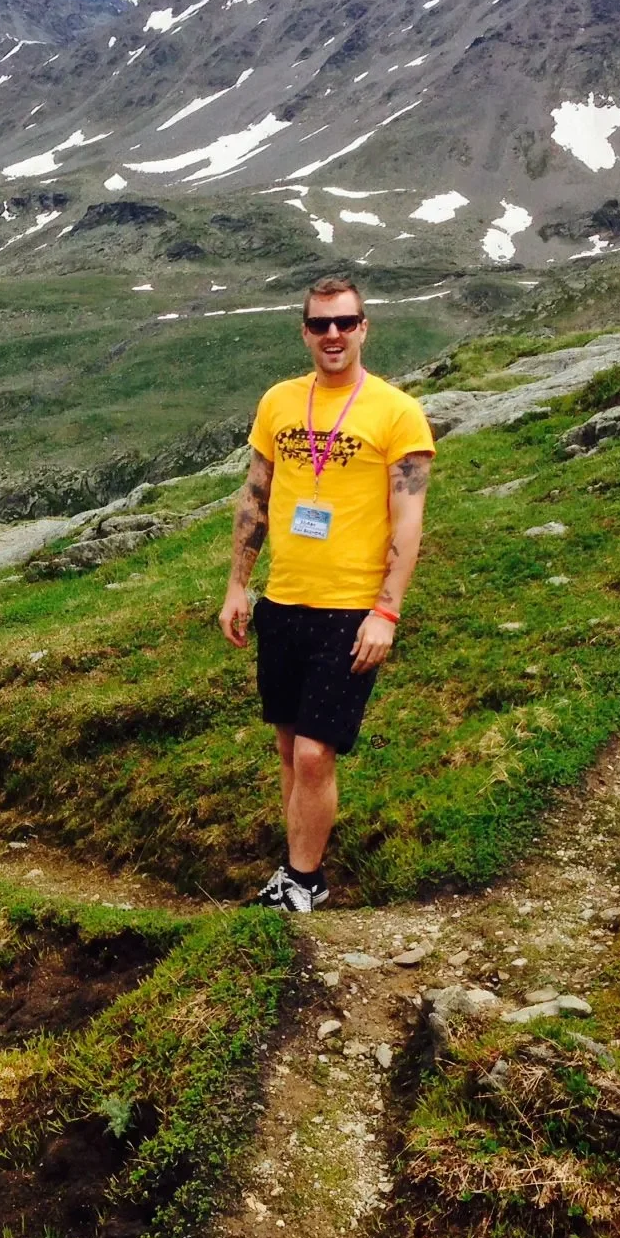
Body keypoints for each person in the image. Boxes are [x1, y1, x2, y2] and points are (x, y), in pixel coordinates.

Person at [218, 276, 435, 911]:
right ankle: (292, 871)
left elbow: (408, 520)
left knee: (315, 753)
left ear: (364, 327)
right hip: (284, 602)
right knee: (289, 746)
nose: (332, 335)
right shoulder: (279, 403)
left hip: (351, 609)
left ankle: (304, 882)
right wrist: (238, 586)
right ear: (305, 331)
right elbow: (256, 496)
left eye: (345, 322)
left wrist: (386, 611)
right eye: (320, 324)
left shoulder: (397, 412)